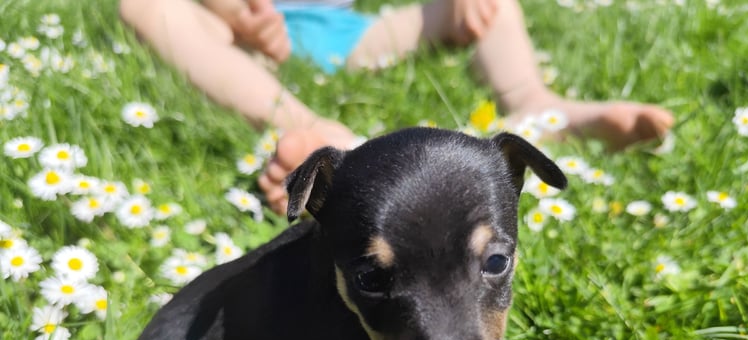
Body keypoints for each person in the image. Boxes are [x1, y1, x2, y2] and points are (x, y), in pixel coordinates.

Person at [120, 0, 674, 215]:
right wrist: (238, 14)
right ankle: (304, 125)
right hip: (241, 38)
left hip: (351, 33)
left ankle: (535, 105)